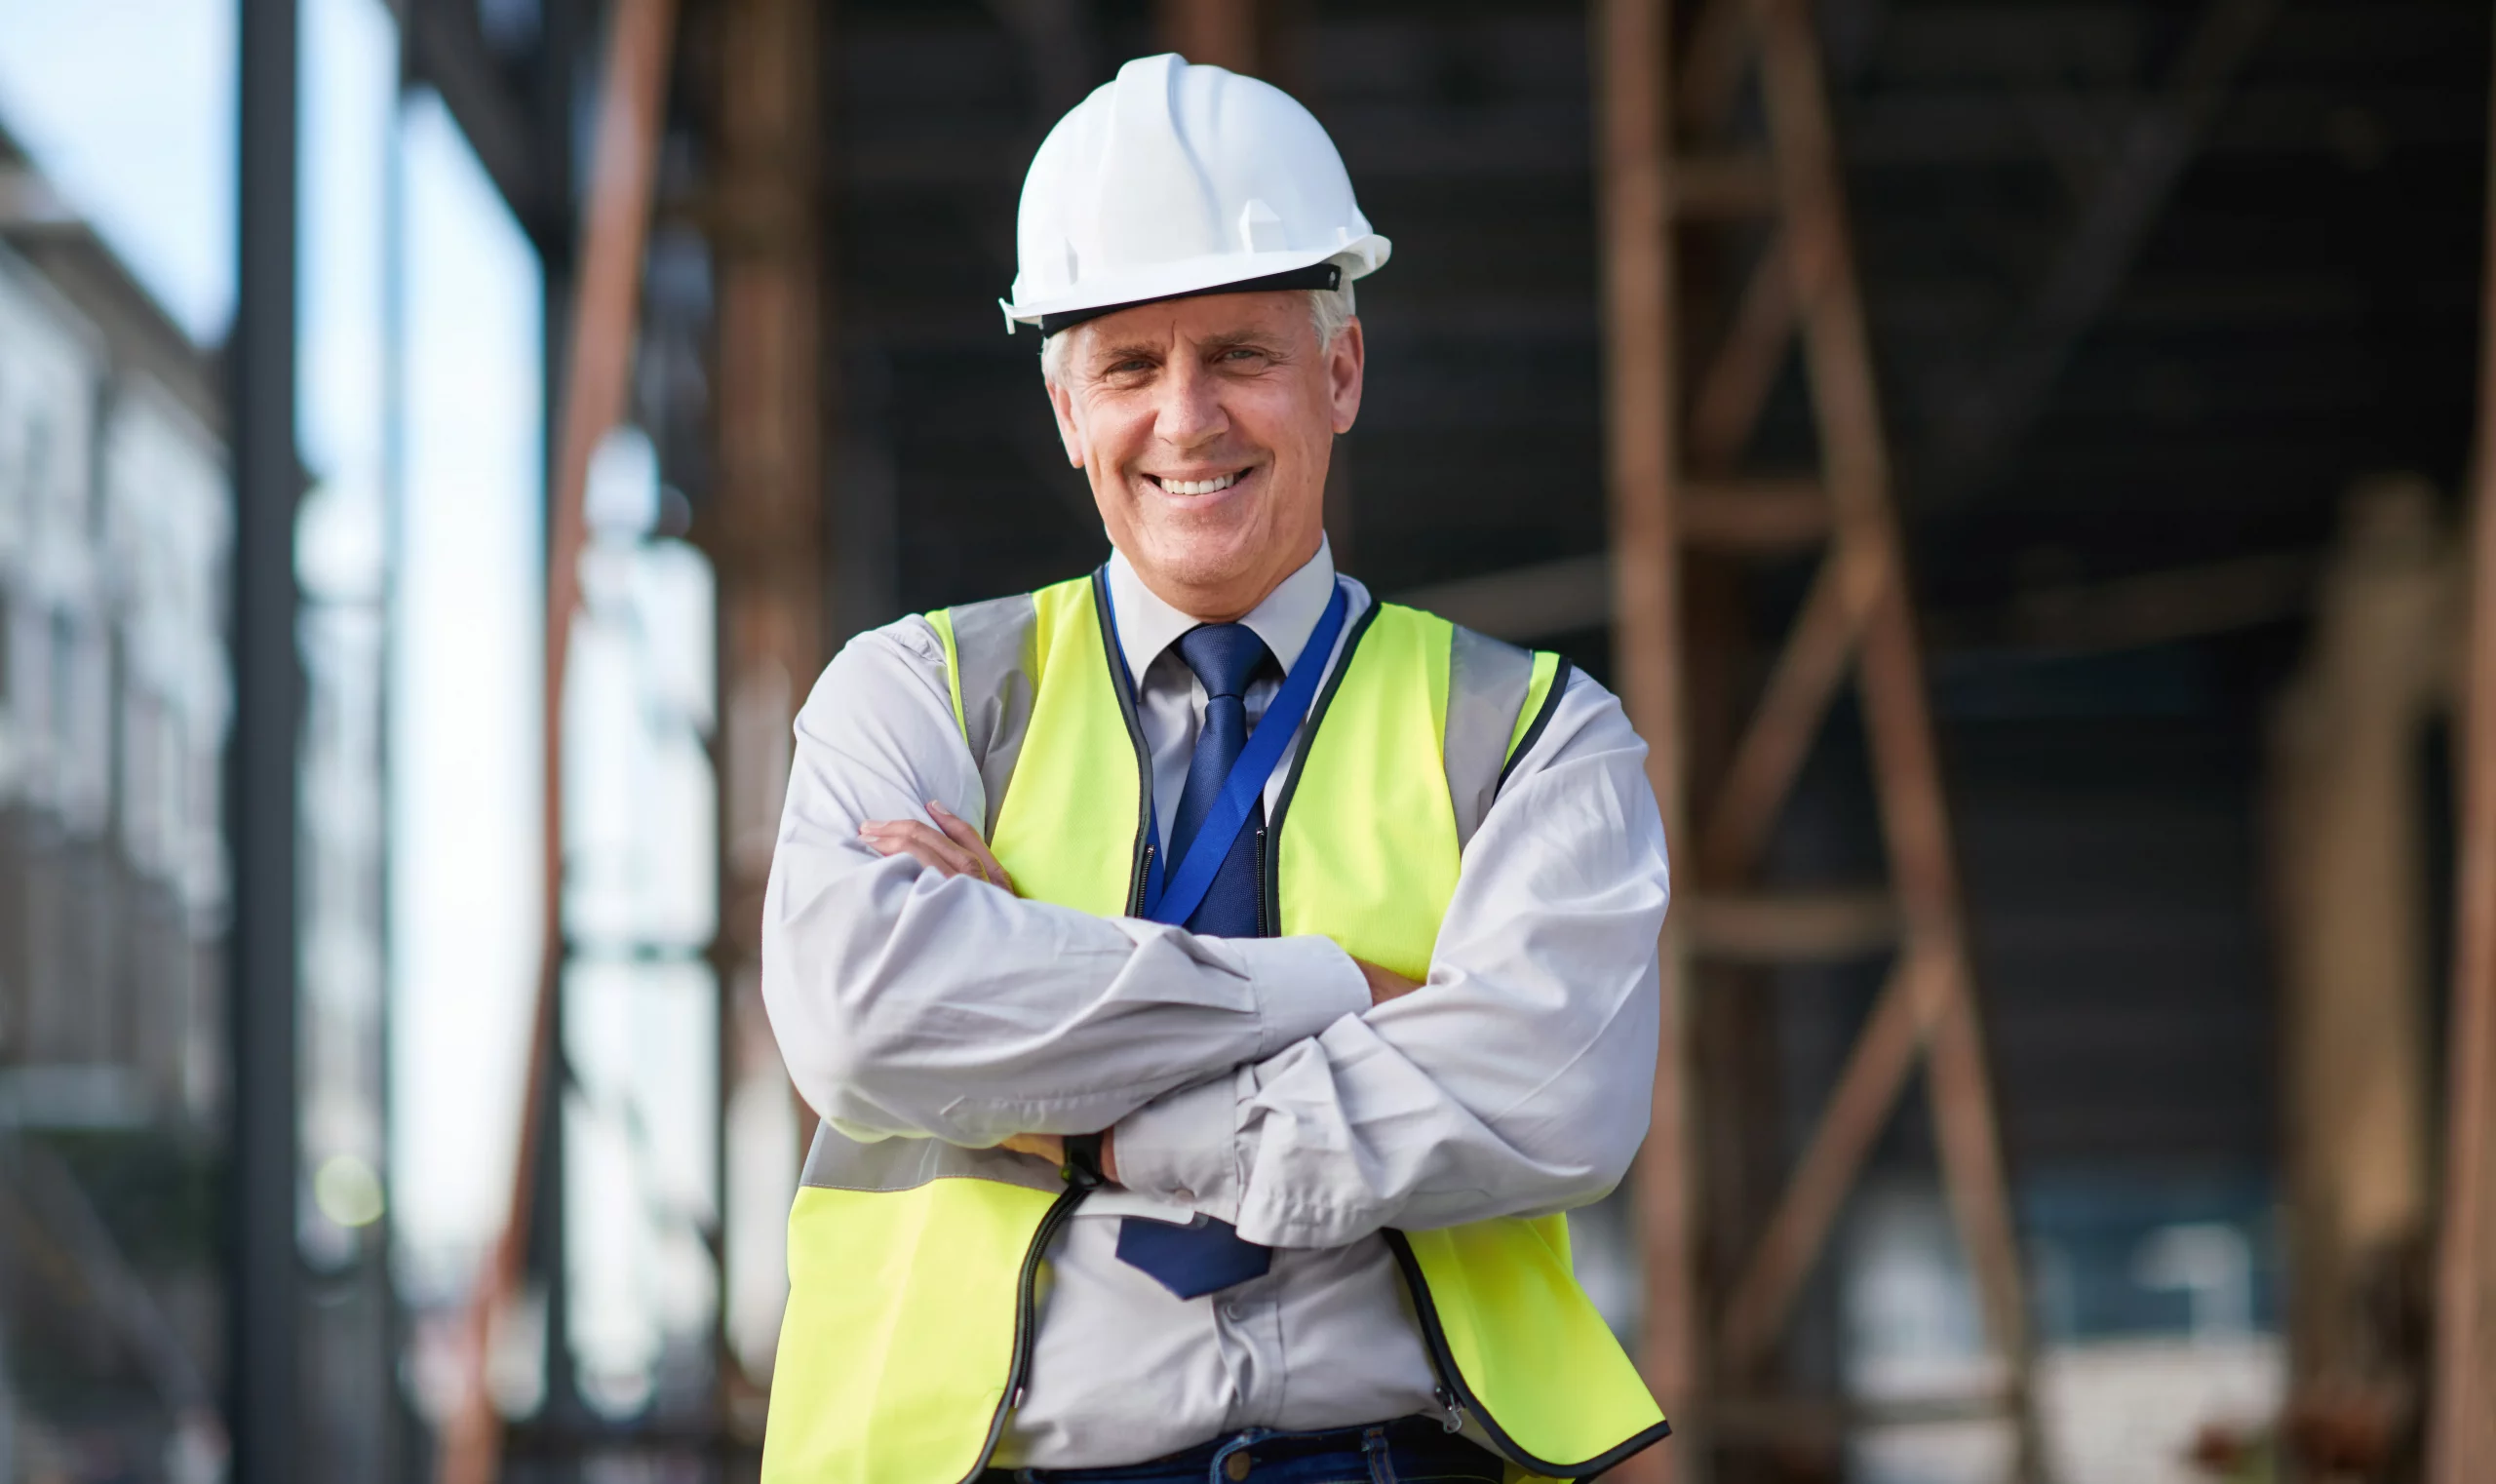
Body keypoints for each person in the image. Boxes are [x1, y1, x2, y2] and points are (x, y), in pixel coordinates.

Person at [758, 53, 1671, 1484]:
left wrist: (1088, 1120)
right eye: (1129, 365)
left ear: (1341, 373)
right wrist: (1329, 991)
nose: (1187, 420)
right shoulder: (915, 693)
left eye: (1241, 353)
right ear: (1069, 410)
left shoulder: (1532, 733)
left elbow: (1549, 1092)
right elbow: (867, 1023)